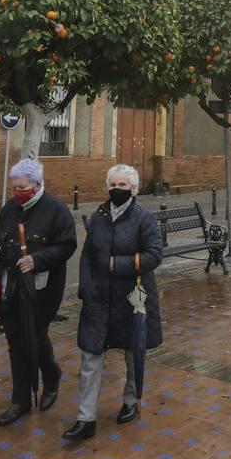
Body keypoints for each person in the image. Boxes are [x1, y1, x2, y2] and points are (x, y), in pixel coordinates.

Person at [63, 163, 164, 442]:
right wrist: (85, 285)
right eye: (113, 184)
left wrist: (115, 264)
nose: (116, 189)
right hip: (99, 296)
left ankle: (131, 400)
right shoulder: (99, 215)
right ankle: (86, 418)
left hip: (132, 295)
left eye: (122, 185)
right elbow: (86, 255)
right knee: (90, 355)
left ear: (133, 188)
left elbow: (155, 255)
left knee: (133, 352)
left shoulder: (144, 217)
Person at [0, 158, 78, 426]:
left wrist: (38, 260)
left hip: (42, 288)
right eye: (14, 187)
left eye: (23, 187)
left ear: (38, 185)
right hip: (10, 285)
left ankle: (51, 376)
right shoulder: (9, 209)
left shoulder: (56, 209)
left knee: (35, 335)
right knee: (15, 338)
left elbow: (67, 245)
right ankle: (20, 400)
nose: (18, 192)